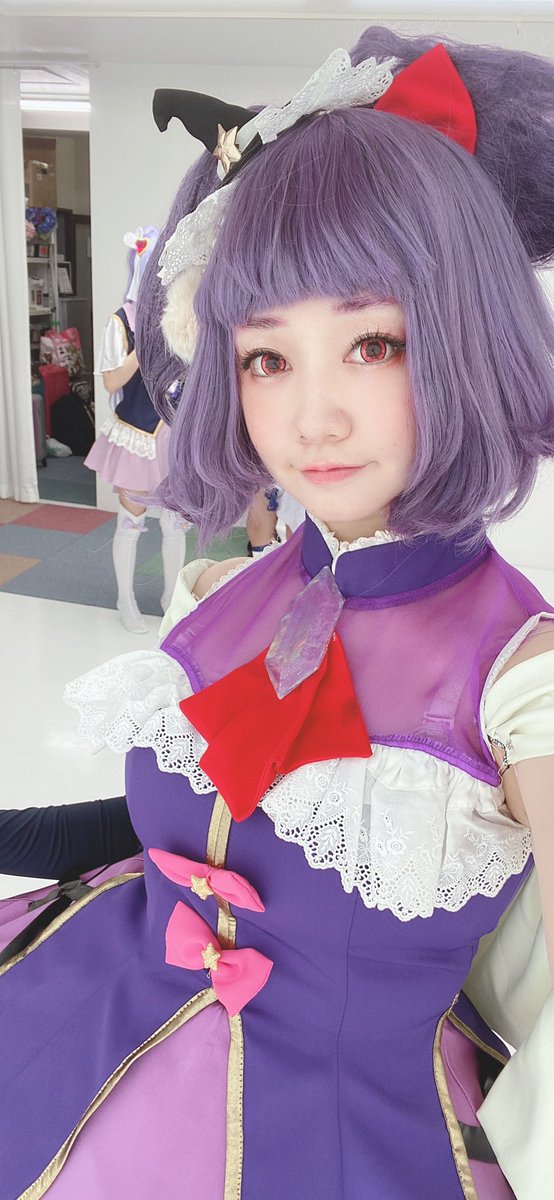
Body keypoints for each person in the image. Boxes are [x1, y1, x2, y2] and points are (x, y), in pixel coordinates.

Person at [0, 25, 553, 1200]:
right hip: (84, 1042)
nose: (312, 420)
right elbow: (192, 830)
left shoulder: (520, 680)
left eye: (372, 342)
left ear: (467, 337)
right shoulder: (227, 596)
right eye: (266, 359)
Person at [85, 227, 188, 633]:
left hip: (174, 433)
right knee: (131, 520)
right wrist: (143, 348)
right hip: (138, 434)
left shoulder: (181, 313)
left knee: (175, 522)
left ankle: (170, 599)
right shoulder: (122, 321)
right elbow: (111, 381)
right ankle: (125, 599)